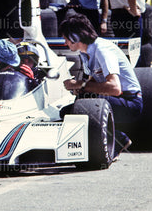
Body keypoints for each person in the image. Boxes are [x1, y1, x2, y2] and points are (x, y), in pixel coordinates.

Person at [59, 14, 142, 158]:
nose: (65, 43)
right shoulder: (86, 53)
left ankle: (118, 139)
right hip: (116, 99)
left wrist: (80, 85)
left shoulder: (102, 50)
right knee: (67, 111)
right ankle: (112, 138)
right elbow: (92, 84)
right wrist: (79, 88)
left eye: (66, 38)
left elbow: (115, 88)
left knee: (78, 108)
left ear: (75, 36)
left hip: (130, 102)